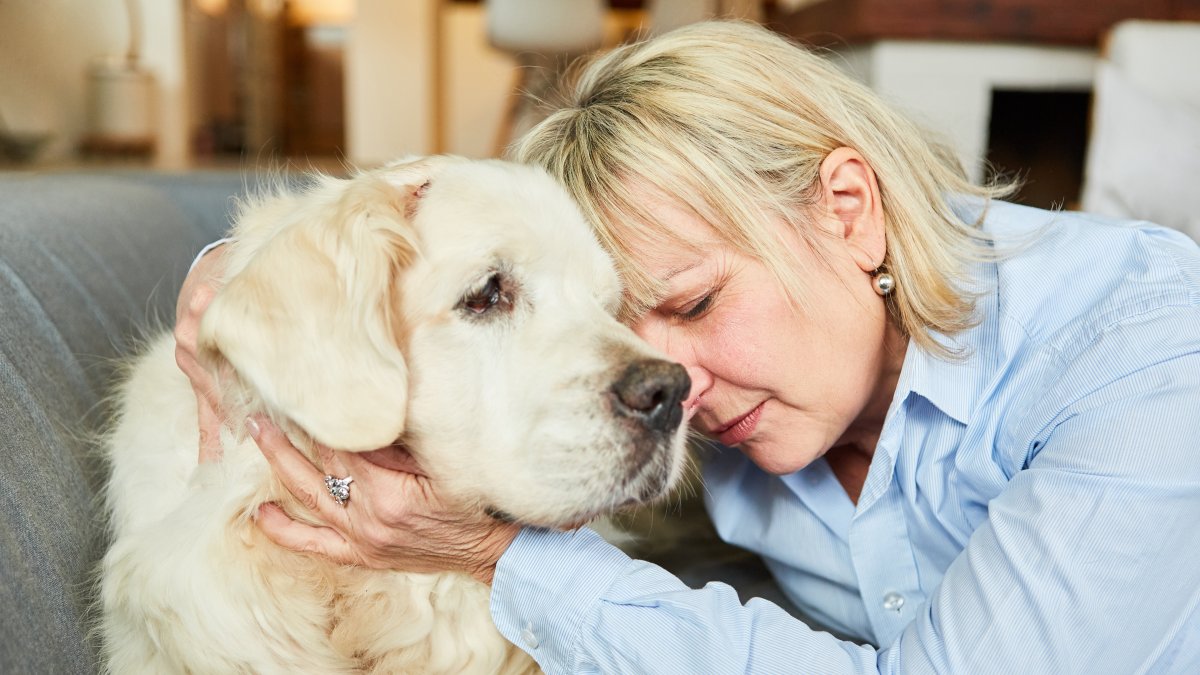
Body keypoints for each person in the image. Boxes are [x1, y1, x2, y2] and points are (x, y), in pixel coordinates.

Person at [178, 21, 1200, 674]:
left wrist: (503, 560)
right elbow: (473, 255)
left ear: (848, 210)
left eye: (699, 302)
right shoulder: (760, 398)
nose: (683, 389)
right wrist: (255, 267)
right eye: (630, 324)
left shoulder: (1148, 355)